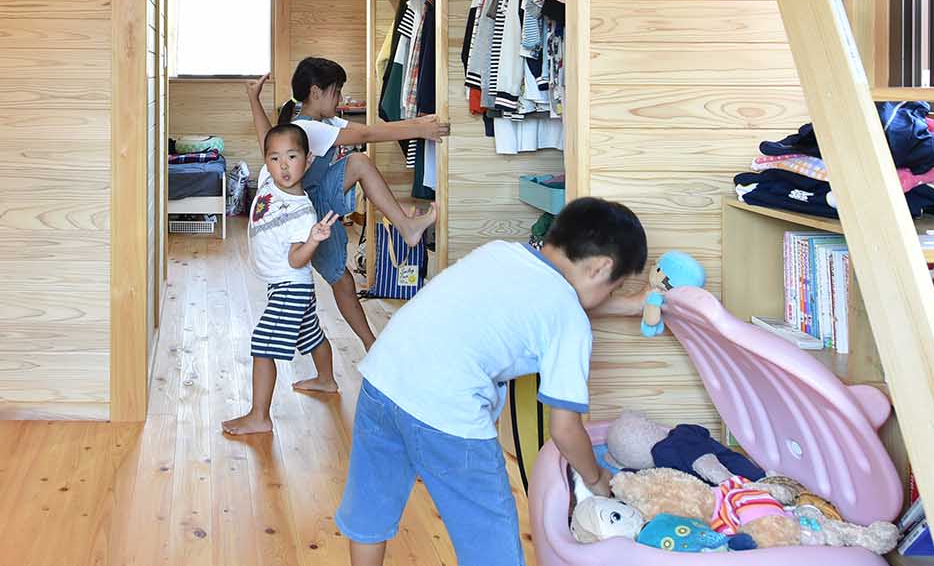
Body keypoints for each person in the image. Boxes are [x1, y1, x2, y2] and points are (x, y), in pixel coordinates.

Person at [334, 197, 649, 566]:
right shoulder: (570, 321)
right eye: (613, 288)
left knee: (371, 509)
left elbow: (560, 299)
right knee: (489, 539)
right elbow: (565, 430)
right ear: (601, 267)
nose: (608, 297)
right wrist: (595, 478)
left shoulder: (501, 252)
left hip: (383, 379)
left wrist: (631, 304)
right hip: (447, 413)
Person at [247, 58, 448, 351]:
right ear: (316, 92)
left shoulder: (323, 123)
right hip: (305, 212)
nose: (340, 98)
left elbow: (366, 128)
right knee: (340, 280)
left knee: (341, 281)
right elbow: (367, 135)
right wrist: (420, 129)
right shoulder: (307, 128)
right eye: (336, 91)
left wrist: (253, 99)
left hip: (312, 202)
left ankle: (368, 348)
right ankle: (371, 345)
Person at [222, 122, 339, 436]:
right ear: (266, 161)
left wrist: (313, 240)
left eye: (292, 157)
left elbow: (296, 259)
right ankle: (326, 380)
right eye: (275, 158)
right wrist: (253, 99)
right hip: (284, 284)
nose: (283, 166)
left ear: (308, 160)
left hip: (291, 284)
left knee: (263, 345)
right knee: (310, 332)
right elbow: (266, 136)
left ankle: (259, 416)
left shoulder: (303, 213)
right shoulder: (267, 180)